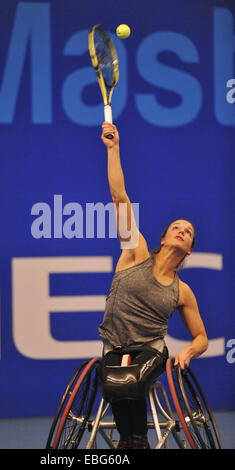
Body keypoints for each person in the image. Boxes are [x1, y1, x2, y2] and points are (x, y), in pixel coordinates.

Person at [98, 122, 209, 449]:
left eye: (187, 232)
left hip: (151, 349)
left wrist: (189, 350)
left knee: (127, 383)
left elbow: (201, 337)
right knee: (114, 383)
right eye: (176, 227)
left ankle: (135, 441)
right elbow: (120, 197)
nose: (182, 231)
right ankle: (132, 441)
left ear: (188, 249)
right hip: (114, 345)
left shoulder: (182, 291)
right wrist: (113, 148)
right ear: (163, 238)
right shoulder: (135, 253)